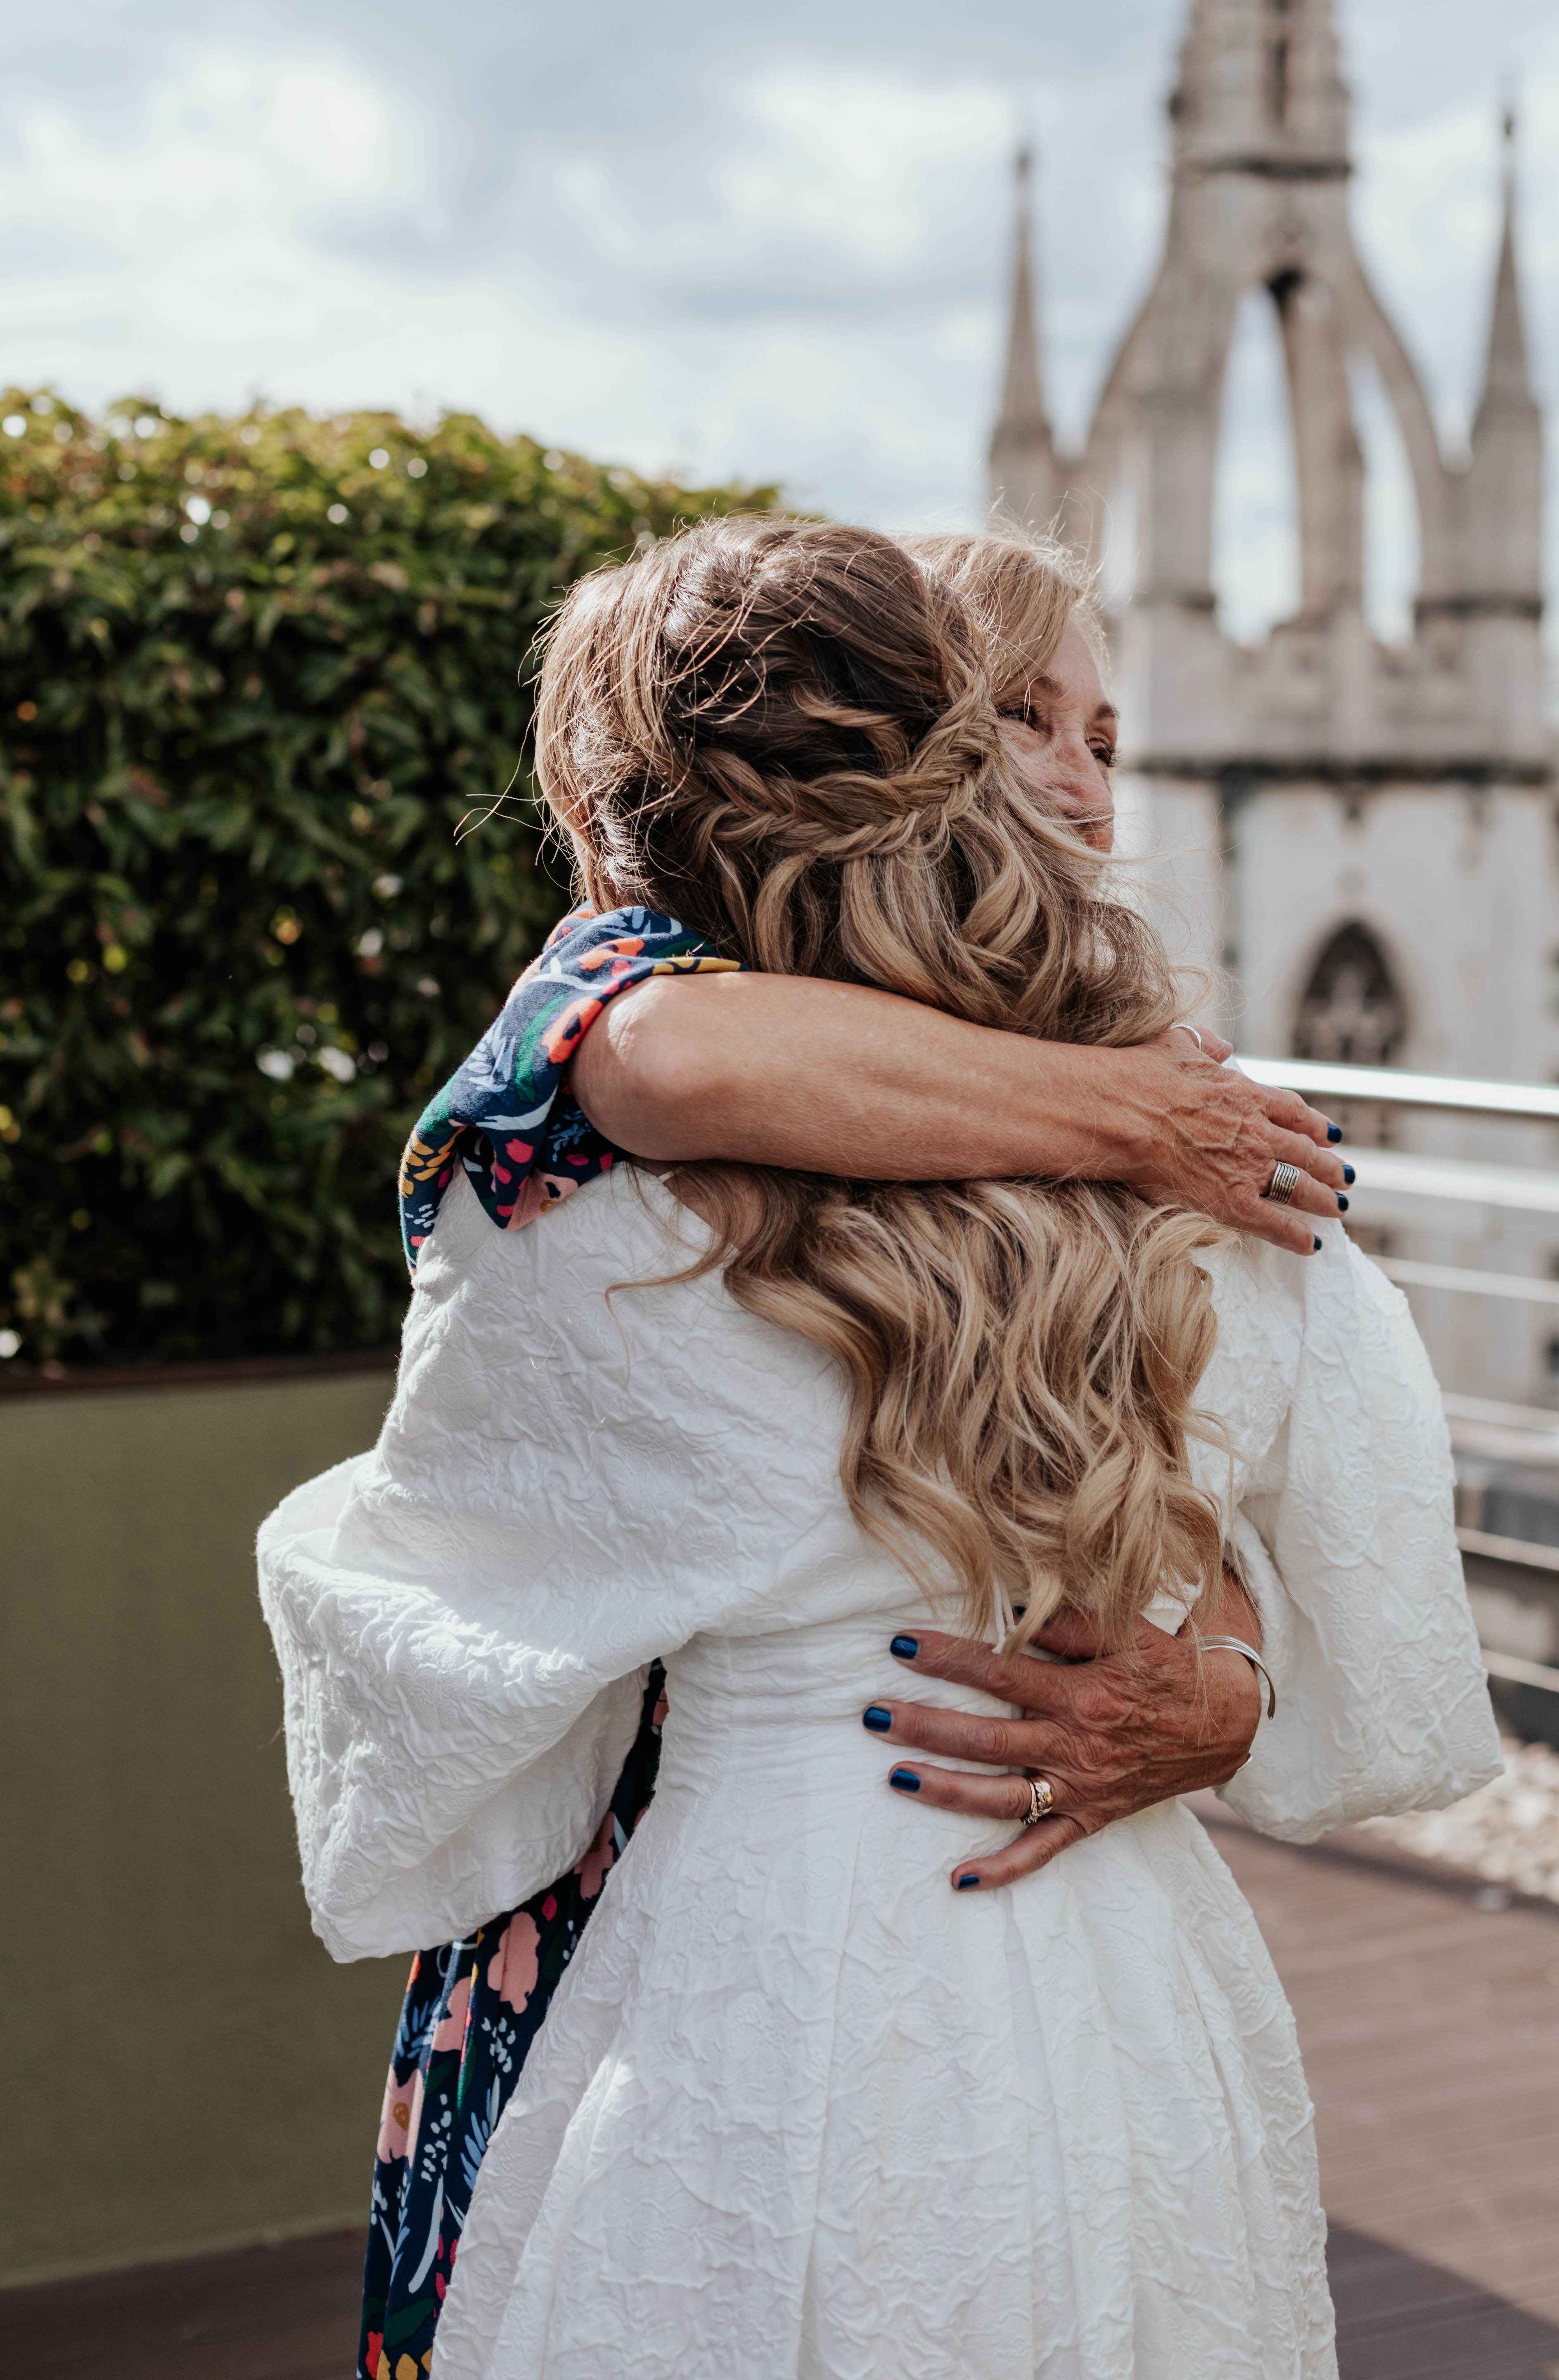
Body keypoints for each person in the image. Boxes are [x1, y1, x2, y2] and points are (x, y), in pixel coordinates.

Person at [262, 514, 1496, 2378]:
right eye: (1028, 719)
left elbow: (445, 1593)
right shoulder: (1190, 1147)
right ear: (932, 766)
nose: (1081, 778)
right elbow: (1337, 1517)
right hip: (1105, 1953)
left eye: (1107, 732)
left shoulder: (565, 1193)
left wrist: (1220, 1675)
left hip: (753, 1932)